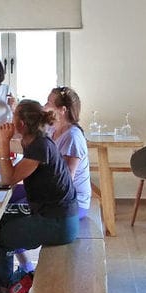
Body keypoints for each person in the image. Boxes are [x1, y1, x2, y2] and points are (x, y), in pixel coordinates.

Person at [0, 99, 82, 293]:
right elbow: (6, 144)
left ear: (21, 124)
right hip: (57, 215)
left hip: (59, 222)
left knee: (1, 235)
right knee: (0, 221)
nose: (10, 122)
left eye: (13, 118)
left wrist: (3, 145)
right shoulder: (36, 140)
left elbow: (8, 179)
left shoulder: (40, 147)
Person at [44, 86, 92, 215]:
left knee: (13, 212)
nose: (44, 106)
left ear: (62, 110)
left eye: (49, 103)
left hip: (73, 204)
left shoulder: (73, 137)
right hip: (55, 197)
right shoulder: (51, 129)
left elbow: (64, 182)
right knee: (12, 196)